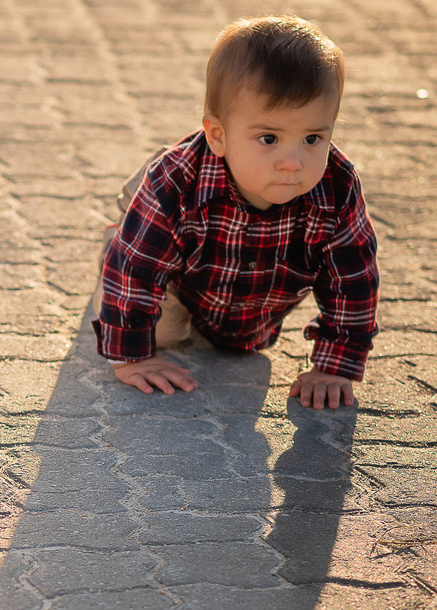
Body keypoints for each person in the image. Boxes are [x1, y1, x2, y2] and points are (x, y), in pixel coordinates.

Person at [92, 14, 378, 409]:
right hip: (178, 275)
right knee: (164, 331)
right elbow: (136, 270)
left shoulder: (337, 186)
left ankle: (223, 322)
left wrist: (336, 364)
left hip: (253, 296)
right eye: (269, 138)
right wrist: (130, 357)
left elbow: (354, 281)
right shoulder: (179, 182)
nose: (292, 162)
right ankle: (123, 227)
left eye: (313, 137)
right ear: (218, 135)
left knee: (241, 345)